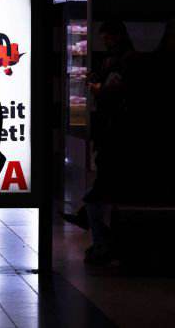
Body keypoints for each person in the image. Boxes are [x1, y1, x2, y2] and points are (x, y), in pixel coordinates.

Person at [61, 20, 135, 264]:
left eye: (108, 37)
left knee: (102, 187)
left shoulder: (122, 59)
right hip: (110, 130)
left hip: (113, 131)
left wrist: (100, 88)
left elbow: (116, 89)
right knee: (105, 186)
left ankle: (94, 228)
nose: (105, 42)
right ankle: (91, 224)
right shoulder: (116, 57)